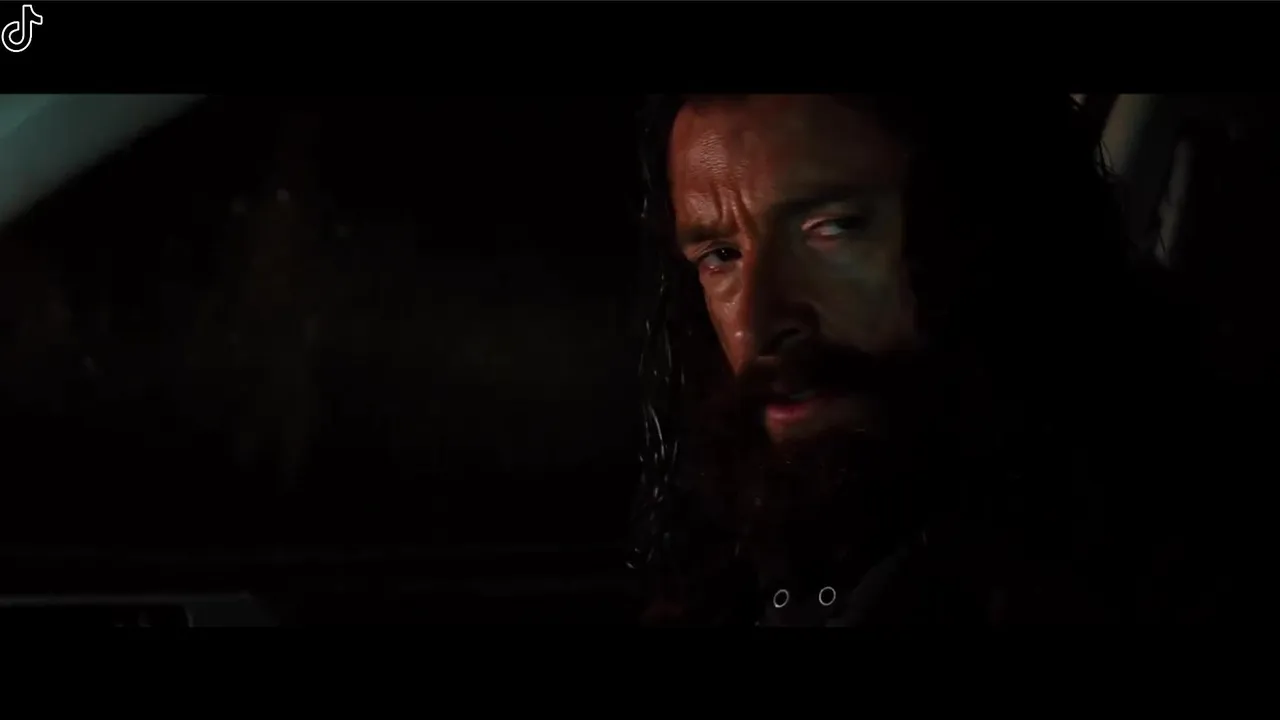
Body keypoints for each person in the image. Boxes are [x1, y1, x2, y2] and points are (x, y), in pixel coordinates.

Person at [631, 94, 1227, 625]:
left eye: (831, 228)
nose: (757, 323)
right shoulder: (729, 577)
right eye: (720, 255)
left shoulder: (1159, 558)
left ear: (986, 222)